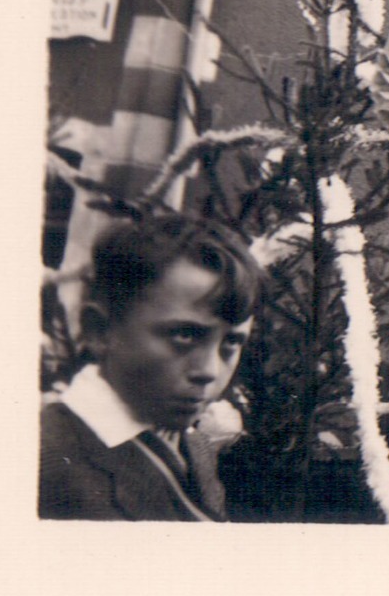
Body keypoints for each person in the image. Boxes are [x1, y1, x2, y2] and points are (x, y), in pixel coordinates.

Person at [39, 212, 266, 521]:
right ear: (100, 331)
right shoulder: (43, 460)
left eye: (231, 343)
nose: (210, 371)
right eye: (184, 335)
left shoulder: (193, 448)